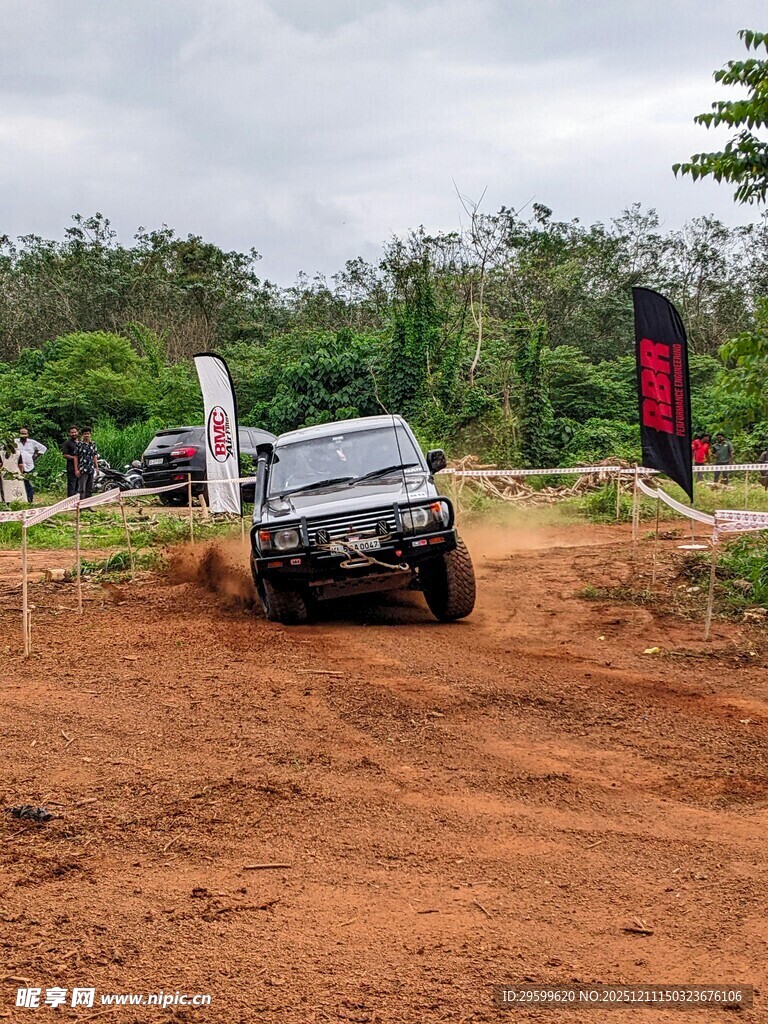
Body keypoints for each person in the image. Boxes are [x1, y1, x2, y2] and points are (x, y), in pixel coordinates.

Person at [14, 427, 47, 504]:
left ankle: (30, 501)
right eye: (21, 433)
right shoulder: (15, 442)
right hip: (18, 466)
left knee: (29, 484)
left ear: (27, 434)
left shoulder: (32, 442)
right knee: (18, 484)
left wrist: (36, 455)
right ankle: (19, 501)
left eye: (25, 433)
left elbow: (43, 448)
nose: (23, 435)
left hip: (29, 466)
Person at [76, 428, 99, 499]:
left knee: (90, 488)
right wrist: (76, 469)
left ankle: (88, 505)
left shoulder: (93, 444)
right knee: (82, 488)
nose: (87, 435)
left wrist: (97, 467)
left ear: (90, 434)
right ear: (82, 435)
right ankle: (80, 505)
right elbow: (76, 457)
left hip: (91, 468)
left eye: (88, 434)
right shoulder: (79, 444)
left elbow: (94, 456)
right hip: (83, 468)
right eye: (85, 434)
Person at [61, 426, 80, 497]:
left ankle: (78, 501)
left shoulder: (80, 442)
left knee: (79, 485)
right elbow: (65, 455)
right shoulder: (67, 443)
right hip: (71, 468)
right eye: (72, 432)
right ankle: (70, 502)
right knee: (72, 485)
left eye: (75, 432)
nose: (74, 434)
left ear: (77, 432)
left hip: (81, 467)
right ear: (69, 433)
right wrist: (75, 458)